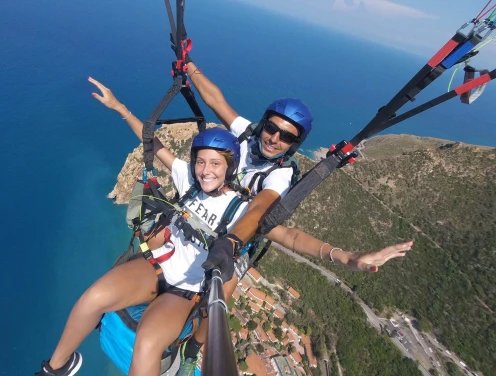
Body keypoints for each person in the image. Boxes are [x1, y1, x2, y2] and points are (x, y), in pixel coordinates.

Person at [173, 61, 414, 375]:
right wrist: (189, 67)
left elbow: (266, 216)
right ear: (263, 125)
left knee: (220, 295)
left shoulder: (281, 174)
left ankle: (192, 349)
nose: (274, 138)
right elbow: (216, 101)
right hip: (206, 214)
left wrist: (348, 258)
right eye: (271, 128)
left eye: (286, 137)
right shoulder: (247, 136)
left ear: (294, 144)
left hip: (237, 239)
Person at [34, 77, 251, 376]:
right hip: (156, 266)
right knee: (92, 298)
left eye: (215, 163)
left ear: (229, 168)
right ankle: (56, 368)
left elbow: (283, 234)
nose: (205, 170)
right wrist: (118, 107)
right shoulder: (189, 181)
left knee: (148, 343)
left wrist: (334, 254)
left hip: (186, 292)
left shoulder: (241, 211)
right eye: (200, 162)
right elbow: (152, 143)